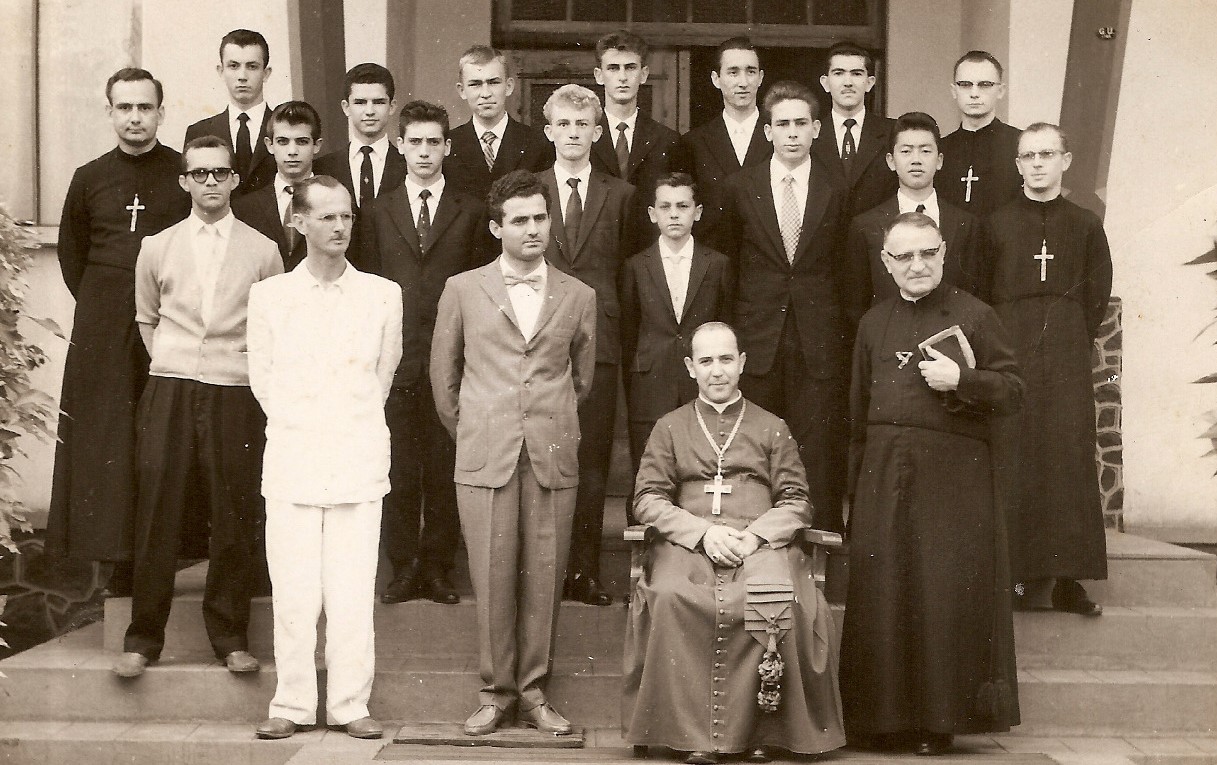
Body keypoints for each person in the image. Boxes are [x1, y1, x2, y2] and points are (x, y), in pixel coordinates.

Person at [841, 212, 1022, 756]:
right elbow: (855, 415)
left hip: (952, 480)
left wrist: (961, 379)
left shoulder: (975, 314)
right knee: (884, 591)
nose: (916, 265)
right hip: (882, 473)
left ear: (942, 253)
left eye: (926, 254)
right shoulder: (874, 321)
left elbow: (1013, 390)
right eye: (903, 256)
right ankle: (879, 720)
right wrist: (854, 492)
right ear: (886, 262)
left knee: (938, 595)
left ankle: (934, 722)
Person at [624, 321, 845, 764]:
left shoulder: (771, 426)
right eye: (706, 361)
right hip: (687, 543)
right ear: (690, 367)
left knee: (777, 597)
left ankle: (766, 732)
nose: (717, 370)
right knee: (671, 595)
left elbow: (798, 501)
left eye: (726, 359)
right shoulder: (669, 427)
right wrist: (702, 532)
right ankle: (691, 736)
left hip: (760, 543)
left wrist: (757, 535)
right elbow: (647, 498)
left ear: (742, 363)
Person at [430, 169, 596, 736]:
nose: (532, 229)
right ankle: (495, 693)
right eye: (519, 220)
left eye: (540, 218)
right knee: (493, 575)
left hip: (551, 451)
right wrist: (481, 428)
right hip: (485, 450)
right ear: (497, 226)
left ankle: (533, 692)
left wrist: (543, 424)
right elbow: (444, 379)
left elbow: (582, 378)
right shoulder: (462, 289)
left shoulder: (579, 295)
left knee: (544, 576)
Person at [113, 135, 283, 679]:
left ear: (235, 180)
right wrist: (175, 360)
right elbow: (146, 318)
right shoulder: (157, 247)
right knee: (158, 506)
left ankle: (230, 635)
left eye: (220, 173)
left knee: (232, 508)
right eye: (200, 173)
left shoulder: (263, 249)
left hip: (235, 390)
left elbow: (274, 324)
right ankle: (143, 638)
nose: (210, 182)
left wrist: (236, 367)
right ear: (184, 181)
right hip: (172, 386)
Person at [247, 175, 402, 741]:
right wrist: (307, 429)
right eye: (327, 217)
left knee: (353, 591)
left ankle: (349, 704)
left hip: (357, 460)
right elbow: (263, 379)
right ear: (299, 221)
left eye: (346, 217)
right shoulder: (270, 297)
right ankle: (289, 702)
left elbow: (381, 375)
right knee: (294, 591)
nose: (339, 227)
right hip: (293, 459)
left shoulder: (383, 295)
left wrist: (347, 429)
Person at [47, 68, 190, 595]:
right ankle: (115, 561)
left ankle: (164, 555)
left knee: (163, 431)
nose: (135, 118)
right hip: (105, 321)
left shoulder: (182, 172)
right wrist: (105, 302)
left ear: (160, 111)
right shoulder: (89, 177)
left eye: (145, 108)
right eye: (124, 108)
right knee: (108, 435)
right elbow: (71, 254)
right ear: (109, 111)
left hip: (171, 316)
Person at [365, 100, 494, 606]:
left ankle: (438, 567)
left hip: (452, 360)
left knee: (445, 468)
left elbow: (482, 288)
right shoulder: (377, 210)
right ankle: (402, 567)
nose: (423, 152)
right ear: (400, 146)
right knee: (396, 468)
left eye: (433, 142)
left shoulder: (471, 209)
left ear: (447, 146)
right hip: (396, 359)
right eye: (414, 142)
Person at [986, 123, 1113, 615]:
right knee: (1014, 449)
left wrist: (1066, 334)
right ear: (1017, 165)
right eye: (1028, 155)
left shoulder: (1085, 224)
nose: (1038, 163)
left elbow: (1097, 291)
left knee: (1065, 455)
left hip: (1063, 351)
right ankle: (1014, 575)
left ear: (1066, 159)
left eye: (1047, 154)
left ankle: (1067, 580)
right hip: (1011, 346)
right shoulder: (996, 223)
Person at [718, 80, 849, 534]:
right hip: (757, 339)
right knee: (754, 448)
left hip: (819, 339)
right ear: (767, 131)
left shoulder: (839, 187)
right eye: (781, 124)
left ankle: (819, 558)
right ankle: (752, 548)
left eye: (800, 123)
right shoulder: (740, 187)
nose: (791, 132)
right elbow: (727, 266)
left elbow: (847, 270)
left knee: (819, 450)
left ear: (816, 128)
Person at [538, 84, 634, 606]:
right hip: (539, 339)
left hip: (600, 339)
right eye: (564, 125)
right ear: (549, 131)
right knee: (542, 456)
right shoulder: (530, 191)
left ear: (597, 133)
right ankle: (542, 573)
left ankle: (584, 572)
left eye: (583, 126)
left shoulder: (620, 194)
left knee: (591, 461)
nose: (573, 135)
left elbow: (630, 269)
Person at [620, 173, 734, 515]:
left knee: (700, 471)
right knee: (651, 472)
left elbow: (724, 324)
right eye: (665, 207)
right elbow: (629, 331)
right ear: (652, 214)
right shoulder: (636, 266)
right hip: (651, 385)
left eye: (682, 206)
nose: (674, 214)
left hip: (703, 384)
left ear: (697, 212)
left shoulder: (717, 264)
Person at [845, 111, 982, 323]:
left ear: (939, 160)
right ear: (891, 161)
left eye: (925, 151)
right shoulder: (865, 226)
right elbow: (857, 306)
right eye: (906, 151)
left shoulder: (966, 224)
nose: (916, 160)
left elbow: (974, 298)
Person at [589, 30, 681, 254]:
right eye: (613, 68)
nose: (622, 77)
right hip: (595, 257)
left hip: (647, 257)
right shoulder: (582, 137)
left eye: (630, 67)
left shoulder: (667, 141)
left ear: (644, 74)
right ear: (599, 75)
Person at [675, 37, 771, 243]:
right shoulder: (693, 142)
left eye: (751, 71)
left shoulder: (780, 136)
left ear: (761, 77)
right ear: (715, 79)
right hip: (714, 259)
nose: (743, 82)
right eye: (733, 72)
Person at [314, 63, 406, 264]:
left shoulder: (408, 166)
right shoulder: (322, 168)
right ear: (346, 107)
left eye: (379, 102)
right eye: (360, 102)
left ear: (392, 107)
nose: (370, 111)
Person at [446, 45, 554, 201]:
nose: (486, 94)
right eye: (475, 84)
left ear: (509, 86)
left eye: (494, 82)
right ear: (462, 90)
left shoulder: (537, 142)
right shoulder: (449, 144)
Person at [184, 29, 277, 197]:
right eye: (233, 66)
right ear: (221, 71)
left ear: (266, 73)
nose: (242, 76)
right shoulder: (199, 132)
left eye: (252, 66)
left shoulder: (282, 128)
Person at [811, 41, 897, 221]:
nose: (848, 82)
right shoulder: (810, 133)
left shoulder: (893, 133)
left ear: (869, 82)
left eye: (856, 74)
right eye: (839, 73)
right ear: (825, 83)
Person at [233, 100, 323, 271]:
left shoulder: (335, 202)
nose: (292, 151)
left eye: (302, 141)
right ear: (269, 145)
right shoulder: (244, 209)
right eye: (283, 141)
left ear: (317, 145)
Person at [939, 51, 1022, 217]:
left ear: (1000, 91)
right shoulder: (940, 149)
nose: (974, 93)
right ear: (954, 91)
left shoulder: (1021, 144)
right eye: (965, 84)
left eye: (984, 84)